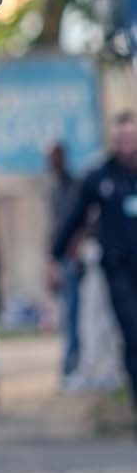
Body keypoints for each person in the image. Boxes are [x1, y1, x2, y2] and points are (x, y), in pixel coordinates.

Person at [52, 111, 137, 414]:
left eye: (131, 138)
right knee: (131, 329)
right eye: (121, 139)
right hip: (119, 268)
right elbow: (74, 217)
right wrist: (56, 255)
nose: (126, 145)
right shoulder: (101, 176)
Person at [46, 141, 83, 386]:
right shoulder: (55, 188)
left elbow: (77, 223)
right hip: (61, 258)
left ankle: (73, 365)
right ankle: (70, 364)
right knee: (67, 314)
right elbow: (53, 228)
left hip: (72, 258)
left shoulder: (73, 186)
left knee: (74, 315)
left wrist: (72, 252)